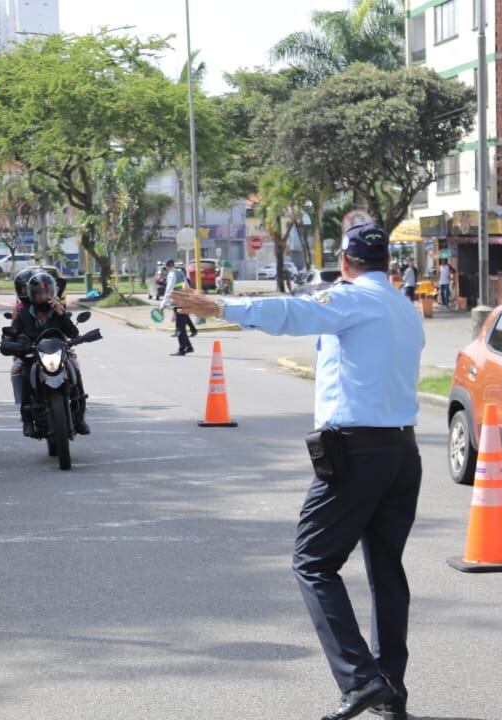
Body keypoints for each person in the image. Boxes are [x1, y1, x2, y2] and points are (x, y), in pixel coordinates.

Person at [172, 223, 425, 720]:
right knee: (387, 571)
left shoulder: (352, 298)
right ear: (387, 264)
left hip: (358, 450)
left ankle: (361, 680)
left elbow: (294, 311)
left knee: (312, 561)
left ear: (346, 262)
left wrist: (222, 306)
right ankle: (390, 690)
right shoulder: (403, 306)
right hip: (402, 450)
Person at [8, 268, 90, 436]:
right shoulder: (24, 312)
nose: (44, 297)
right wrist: (10, 341)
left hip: (58, 351)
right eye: (39, 293)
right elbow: (14, 331)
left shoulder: (58, 310)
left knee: (75, 367)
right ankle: (27, 420)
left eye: (47, 293)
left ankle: (80, 416)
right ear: (33, 294)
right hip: (33, 354)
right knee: (24, 372)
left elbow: (73, 333)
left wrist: (61, 314)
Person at [160, 260, 194, 355]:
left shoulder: (171, 275)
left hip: (179, 303)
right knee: (182, 326)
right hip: (184, 301)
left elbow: (169, 290)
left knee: (180, 327)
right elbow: (187, 286)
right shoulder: (180, 273)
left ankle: (182, 349)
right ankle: (189, 347)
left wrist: (162, 305)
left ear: (167, 266)